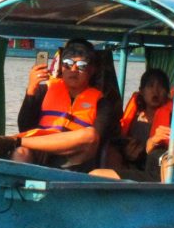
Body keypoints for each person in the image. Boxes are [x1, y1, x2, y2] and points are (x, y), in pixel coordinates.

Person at [9, 39, 107, 170]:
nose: (73, 70)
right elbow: (25, 128)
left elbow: (93, 141)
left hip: (74, 157)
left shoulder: (102, 102)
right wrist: (31, 89)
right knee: (21, 153)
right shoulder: (44, 90)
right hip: (40, 152)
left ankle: (13, 141)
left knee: (90, 135)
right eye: (68, 63)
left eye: (81, 65)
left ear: (92, 70)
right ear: (61, 67)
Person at [106, 68, 173, 182]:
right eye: (150, 86)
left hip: (152, 168)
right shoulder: (136, 116)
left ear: (167, 93)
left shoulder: (172, 119)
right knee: (112, 149)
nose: (155, 91)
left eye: (161, 87)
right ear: (142, 91)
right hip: (128, 163)